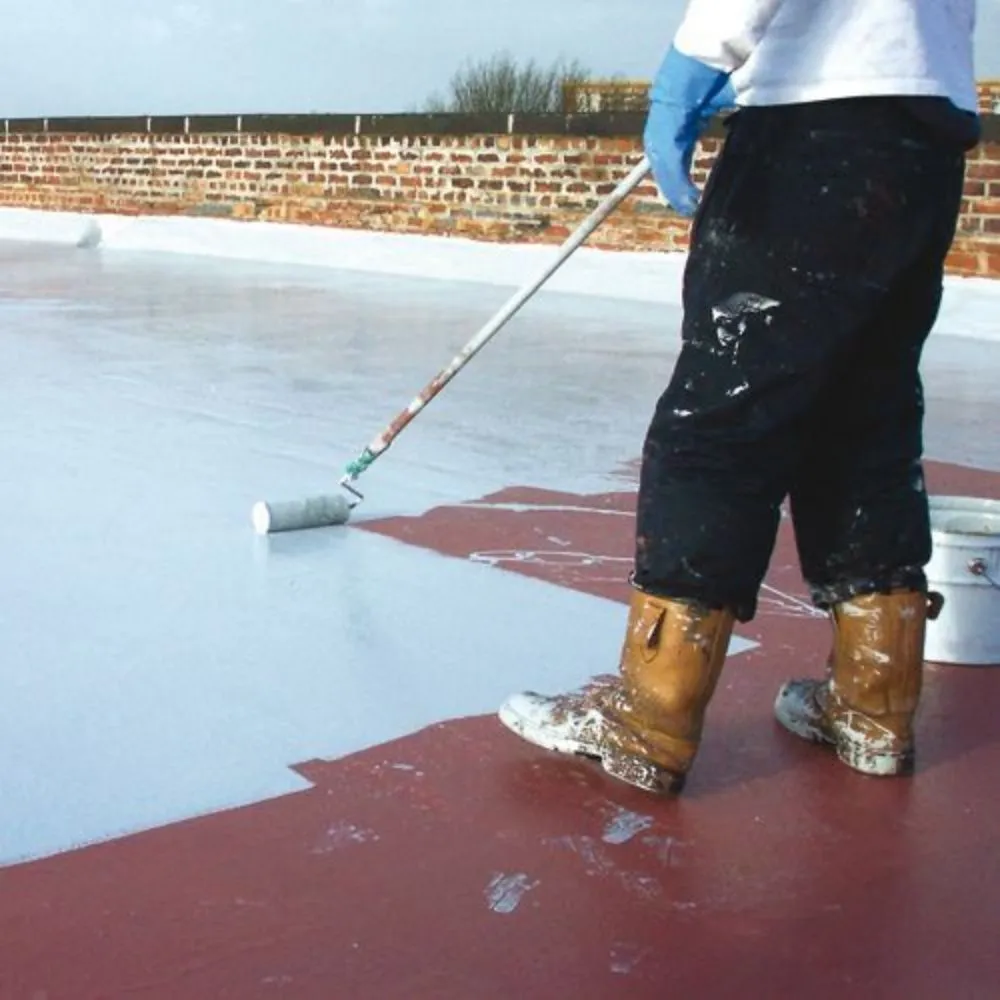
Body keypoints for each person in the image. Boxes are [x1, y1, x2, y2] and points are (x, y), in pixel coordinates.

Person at [497, 0, 982, 794]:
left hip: (810, 135)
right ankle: (874, 708)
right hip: (927, 133)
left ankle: (649, 716)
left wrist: (699, 58)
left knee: (720, 417)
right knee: (867, 417)